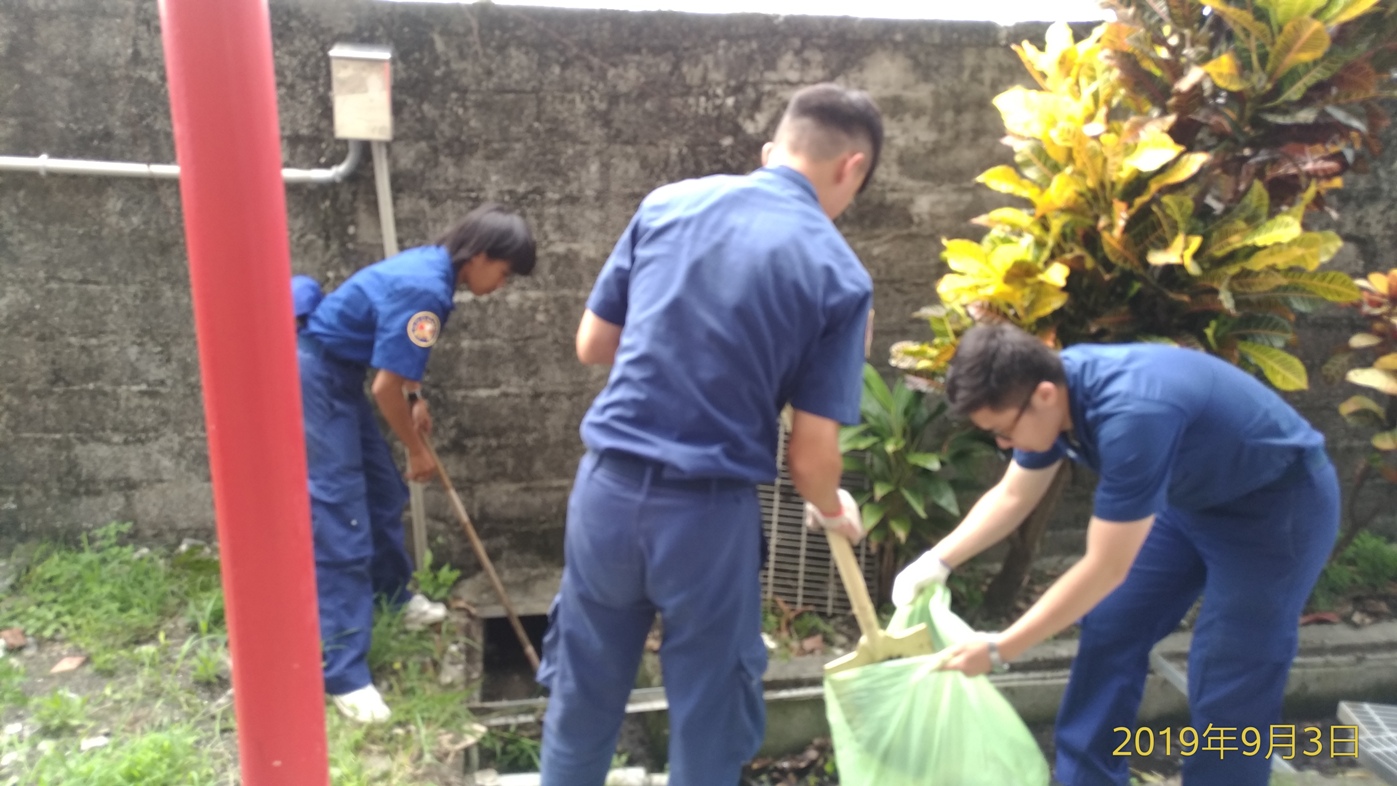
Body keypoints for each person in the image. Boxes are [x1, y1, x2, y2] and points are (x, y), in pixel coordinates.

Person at [535, 83, 883, 785]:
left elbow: (592, 344)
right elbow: (811, 459)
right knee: (709, 717)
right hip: (704, 516)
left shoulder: (667, 202)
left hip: (604, 494)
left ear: (770, 152)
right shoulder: (840, 275)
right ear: (850, 167)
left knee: (582, 700)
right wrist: (832, 509)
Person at [893, 322, 1340, 786]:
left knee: (1230, 668)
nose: (1003, 445)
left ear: (1044, 395)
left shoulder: (1132, 415)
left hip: (1277, 506)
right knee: (1111, 622)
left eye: (1003, 430)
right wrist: (938, 561)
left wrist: (1001, 647)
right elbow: (1012, 496)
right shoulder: (1055, 394)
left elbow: (1105, 566)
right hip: (1190, 501)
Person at [294, 203, 536, 723]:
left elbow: (397, 363)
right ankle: (344, 675)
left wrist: (415, 395)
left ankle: (393, 598)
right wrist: (417, 448)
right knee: (343, 517)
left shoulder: (434, 271)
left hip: (339, 371)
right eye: (505, 271)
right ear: (481, 256)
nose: (503, 282)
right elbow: (385, 388)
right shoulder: (428, 290)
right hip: (315, 377)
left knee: (383, 493)